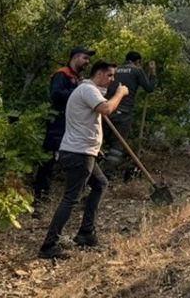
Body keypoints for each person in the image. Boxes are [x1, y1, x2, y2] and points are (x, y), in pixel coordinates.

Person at [39, 61, 128, 259]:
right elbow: (106, 109)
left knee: (100, 184)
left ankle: (86, 233)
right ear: (100, 74)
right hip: (79, 153)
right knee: (71, 198)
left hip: (83, 152)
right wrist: (120, 93)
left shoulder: (87, 91)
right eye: (111, 75)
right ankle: (49, 245)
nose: (112, 80)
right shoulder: (88, 89)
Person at [32, 47, 94, 208]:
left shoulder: (78, 78)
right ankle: (40, 197)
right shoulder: (62, 74)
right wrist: (78, 92)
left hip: (72, 123)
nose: (87, 62)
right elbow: (56, 94)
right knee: (48, 160)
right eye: (85, 58)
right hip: (57, 124)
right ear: (75, 57)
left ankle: (77, 194)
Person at [102, 51, 157, 178]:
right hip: (124, 113)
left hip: (107, 110)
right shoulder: (137, 70)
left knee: (102, 142)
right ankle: (106, 174)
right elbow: (149, 88)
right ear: (138, 61)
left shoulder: (115, 70)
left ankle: (95, 171)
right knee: (117, 147)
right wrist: (153, 73)